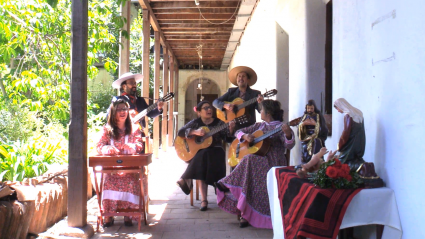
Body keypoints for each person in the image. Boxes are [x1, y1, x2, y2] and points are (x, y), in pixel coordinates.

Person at [215, 99, 295, 229]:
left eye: (261, 110)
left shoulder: (280, 127)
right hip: (258, 161)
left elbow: (289, 145)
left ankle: (227, 184)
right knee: (250, 163)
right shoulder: (260, 126)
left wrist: (288, 134)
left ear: (268, 113)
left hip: (274, 162)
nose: (260, 112)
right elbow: (237, 132)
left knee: (248, 160)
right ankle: (244, 212)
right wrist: (245, 136)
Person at [176, 101, 235, 211]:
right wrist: (195, 132)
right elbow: (180, 132)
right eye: (205, 108)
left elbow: (227, 138)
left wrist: (231, 129)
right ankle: (204, 199)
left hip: (216, 152)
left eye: (210, 107)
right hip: (202, 155)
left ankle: (187, 179)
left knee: (203, 156)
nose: (209, 110)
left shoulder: (219, 123)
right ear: (199, 112)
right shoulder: (196, 122)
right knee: (203, 156)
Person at [96, 99, 145, 227]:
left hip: (130, 169)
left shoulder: (134, 129)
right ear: (113, 112)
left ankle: (128, 214)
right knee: (109, 180)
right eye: (119, 109)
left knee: (130, 180)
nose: (123, 112)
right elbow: (99, 146)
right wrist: (107, 149)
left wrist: (132, 146)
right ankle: (109, 215)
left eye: (125, 109)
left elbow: (140, 145)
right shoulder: (107, 130)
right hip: (112, 170)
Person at [213, 66, 264, 131]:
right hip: (233, 127)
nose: (241, 78)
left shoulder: (255, 94)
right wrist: (225, 105)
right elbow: (215, 102)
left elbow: (260, 110)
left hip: (249, 127)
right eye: (239, 76)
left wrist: (260, 103)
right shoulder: (231, 92)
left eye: (243, 76)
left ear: (248, 80)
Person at [333, 98, 366, 171]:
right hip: (359, 142)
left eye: (337, 108)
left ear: (341, 105)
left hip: (351, 144)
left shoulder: (348, 115)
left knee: (341, 163)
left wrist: (340, 144)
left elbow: (346, 132)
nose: (338, 111)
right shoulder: (358, 112)